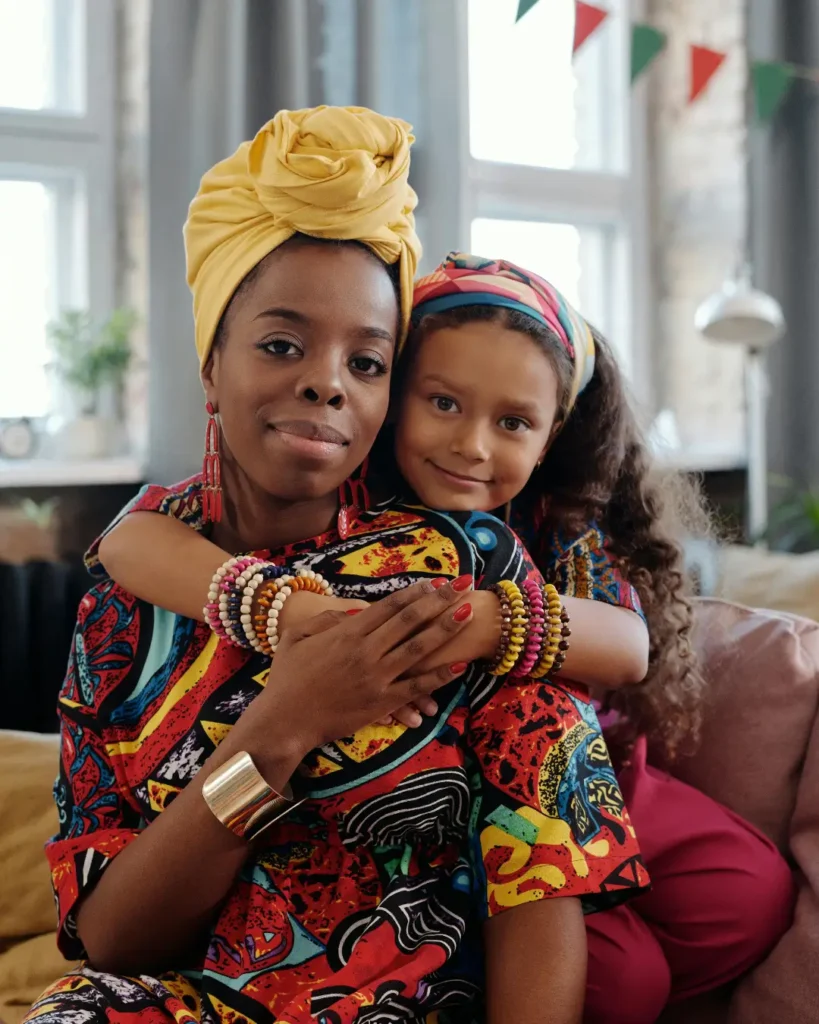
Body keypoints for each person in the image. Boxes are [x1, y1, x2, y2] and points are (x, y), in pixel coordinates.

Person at [25, 107, 646, 1024]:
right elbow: (115, 940)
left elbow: (553, 781)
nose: (327, 382)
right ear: (210, 364)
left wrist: (486, 625)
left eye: (367, 360)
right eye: (281, 344)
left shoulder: (452, 571)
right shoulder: (124, 614)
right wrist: (281, 727)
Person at [91, 251, 794, 1024]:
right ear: (393, 398)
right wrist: (283, 612)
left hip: (590, 780)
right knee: (623, 982)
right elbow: (129, 541)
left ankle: (572, 915)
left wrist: (484, 621)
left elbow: (628, 645)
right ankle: (542, 932)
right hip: (443, 824)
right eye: (443, 404)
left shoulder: (553, 521)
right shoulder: (348, 507)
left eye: (512, 422)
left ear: (551, 429)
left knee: (746, 890)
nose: (472, 446)